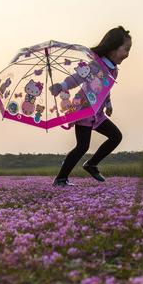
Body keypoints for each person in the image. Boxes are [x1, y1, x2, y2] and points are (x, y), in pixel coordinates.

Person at [50, 26, 130, 185]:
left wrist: (108, 103)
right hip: (83, 110)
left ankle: (92, 164)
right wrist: (61, 86)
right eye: (126, 49)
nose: (127, 54)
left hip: (97, 113)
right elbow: (76, 78)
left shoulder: (114, 71)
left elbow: (105, 88)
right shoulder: (95, 66)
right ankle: (60, 179)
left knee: (116, 136)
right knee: (82, 146)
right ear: (113, 47)